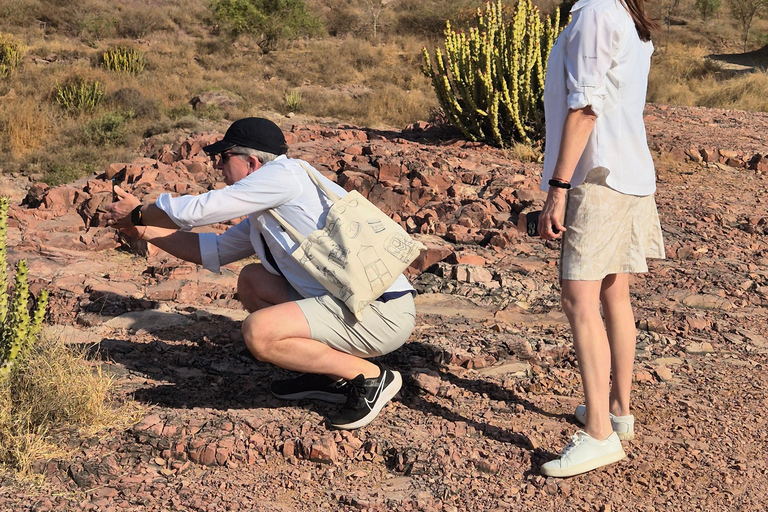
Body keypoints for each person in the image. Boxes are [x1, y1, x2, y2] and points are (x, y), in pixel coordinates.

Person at [104, 117, 416, 430]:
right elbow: (213, 250)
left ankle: (372, 378)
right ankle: (335, 377)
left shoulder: (282, 177)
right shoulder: (268, 207)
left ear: (252, 162)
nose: (218, 166)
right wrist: (144, 230)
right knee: (252, 280)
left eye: (224, 158)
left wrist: (138, 210)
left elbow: (196, 211)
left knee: (259, 333)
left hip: (379, 312)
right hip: (349, 305)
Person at [536, 0, 664, 477]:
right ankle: (618, 411)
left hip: (598, 177)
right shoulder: (627, 15)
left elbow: (585, 107)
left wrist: (559, 188)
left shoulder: (594, 12)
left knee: (578, 300)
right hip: (629, 172)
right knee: (614, 294)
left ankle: (598, 434)